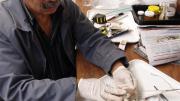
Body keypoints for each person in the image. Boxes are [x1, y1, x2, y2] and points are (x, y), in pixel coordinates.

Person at [0, 0, 136, 101]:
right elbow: (14, 88)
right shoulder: (3, 26)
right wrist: (77, 90)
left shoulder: (65, 6)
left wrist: (117, 66)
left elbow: (90, 38)